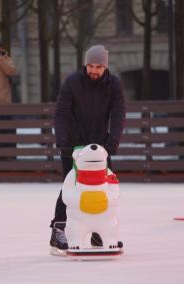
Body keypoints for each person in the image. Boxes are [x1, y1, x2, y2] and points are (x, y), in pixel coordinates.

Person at [50, 45, 126, 252]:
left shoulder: (113, 85)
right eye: (90, 65)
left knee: (102, 188)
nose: (93, 70)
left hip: (100, 147)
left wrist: (114, 141)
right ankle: (58, 230)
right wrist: (62, 140)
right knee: (71, 187)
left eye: (98, 66)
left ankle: (98, 234)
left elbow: (118, 114)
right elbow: (61, 112)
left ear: (105, 67)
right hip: (73, 145)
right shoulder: (73, 82)